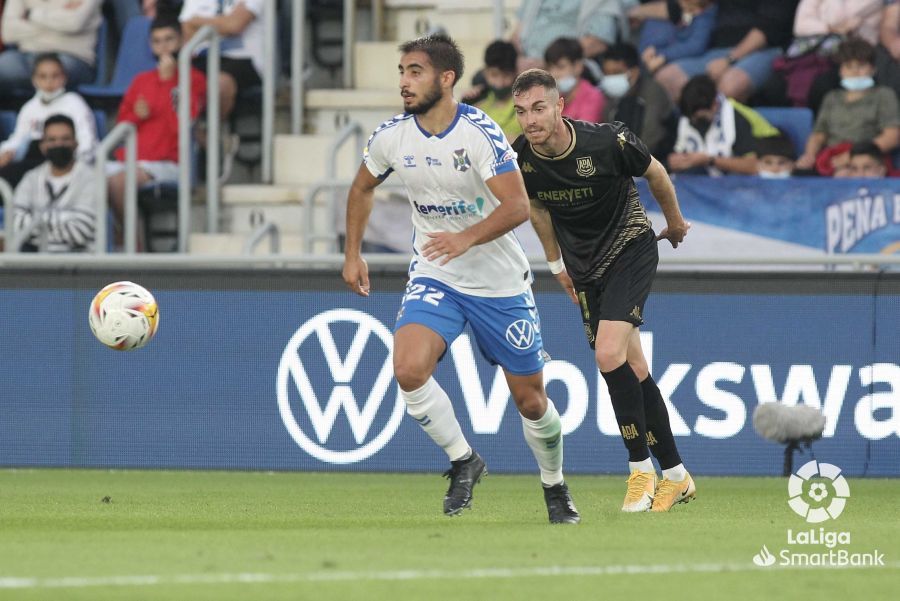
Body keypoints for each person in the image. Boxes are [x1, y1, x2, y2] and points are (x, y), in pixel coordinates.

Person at [342, 34, 580, 524]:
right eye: (403, 71)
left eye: (416, 72)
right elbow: (362, 187)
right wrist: (352, 253)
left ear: (446, 79)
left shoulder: (479, 133)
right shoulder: (392, 136)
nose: (405, 82)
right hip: (437, 272)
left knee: (531, 400)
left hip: (498, 282)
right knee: (408, 368)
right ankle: (463, 460)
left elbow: (517, 205)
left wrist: (466, 237)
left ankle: (555, 487)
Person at [511, 68, 695, 513]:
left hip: (631, 247)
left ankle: (640, 472)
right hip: (585, 269)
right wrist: (556, 265)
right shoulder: (521, 158)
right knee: (633, 368)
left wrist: (673, 223)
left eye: (539, 108)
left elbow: (657, 174)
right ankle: (677, 475)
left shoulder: (608, 141)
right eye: (521, 111)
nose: (530, 120)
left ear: (560, 106)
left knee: (608, 354)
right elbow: (536, 208)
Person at [108, 16, 206, 237]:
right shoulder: (141, 81)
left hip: (169, 163)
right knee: (85, 178)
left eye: (169, 39)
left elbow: (182, 124)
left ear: (182, 40)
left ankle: (134, 249)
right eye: (157, 41)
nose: (163, 47)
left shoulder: (194, 79)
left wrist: (169, 81)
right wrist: (137, 115)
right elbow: (121, 127)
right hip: (131, 160)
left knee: (118, 183)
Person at [654, 0, 800, 103]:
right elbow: (681, 5)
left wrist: (729, 59)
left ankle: (721, 142)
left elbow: (767, 31)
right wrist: (635, 11)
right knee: (667, 78)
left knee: (730, 85)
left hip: (765, 50)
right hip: (717, 51)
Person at [796, 38, 900, 172]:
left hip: (869, 158)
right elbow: (819, 133)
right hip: (833, 158)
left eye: (861, 66)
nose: (855, 71)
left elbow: (892, 137)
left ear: (873, 69)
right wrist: (809, 155)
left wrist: (851, 155)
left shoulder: (884, 95)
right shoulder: (832, 98)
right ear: (841, 71)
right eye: (849, 66)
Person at [0, 53, 97, 189]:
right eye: (43, 76)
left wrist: (74, 165)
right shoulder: (30, 107)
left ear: (64, 78)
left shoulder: (75, 103)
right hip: (33, 162)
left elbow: (87, 142)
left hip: (65, 161)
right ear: (34, 80)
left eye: (55, 76)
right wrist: (7, 151)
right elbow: (19, 138)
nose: (49, 82)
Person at [12, 114, 95, 252]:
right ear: (42, 146)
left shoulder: (91, 178)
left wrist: (34, 224)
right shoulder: (31, 177)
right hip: (34, 263)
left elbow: (79, 232)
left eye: (65, 139)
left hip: (80, 264)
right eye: (52, 140)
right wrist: (64, 219)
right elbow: (15, 222)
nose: (59, 144)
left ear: (76, 143)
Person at [669, 74, 779, 175]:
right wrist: (674, 161)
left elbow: (753, 166)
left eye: (701, 119)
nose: (694, 123)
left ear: (715, 105)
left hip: (770, 155)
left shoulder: (736, 117)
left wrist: (710, 160)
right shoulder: (687, 116)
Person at [179, 0, 264, 121]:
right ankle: (196, 132)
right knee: (173, 81)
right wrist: (225, 22)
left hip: (243, 59)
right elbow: (185, 28)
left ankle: (213, 132)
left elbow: (235, 25)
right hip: (203, 57)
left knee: (219, 83)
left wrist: (197, 22)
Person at [0, 0, 102, 91]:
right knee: (4, 65)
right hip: (28, 58)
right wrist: (58, 24)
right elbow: (7, 33)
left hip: (73, 57)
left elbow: (73, 23)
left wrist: (30, 14)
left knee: (54, 73)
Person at [601, 42, 677, 156]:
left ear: (634, 71)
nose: (611, 78)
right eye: (607, 73)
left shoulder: (652, 92)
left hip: (655, 159)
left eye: (617, 72)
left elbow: (651, 135)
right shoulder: (611, 97)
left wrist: (629, 160)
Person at [545, 37, 605, 123]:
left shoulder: (593, 97)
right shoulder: (550, 98)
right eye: (550, 67)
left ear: (578, 67)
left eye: (561, 67)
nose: (554, 74)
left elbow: (583, 133)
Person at [471, 40, 521, 141]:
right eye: (494, 75)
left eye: (506, 75)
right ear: (485, 72)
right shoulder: (477, 107)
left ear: (515, 73)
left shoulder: (525, 106)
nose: (500, 83)